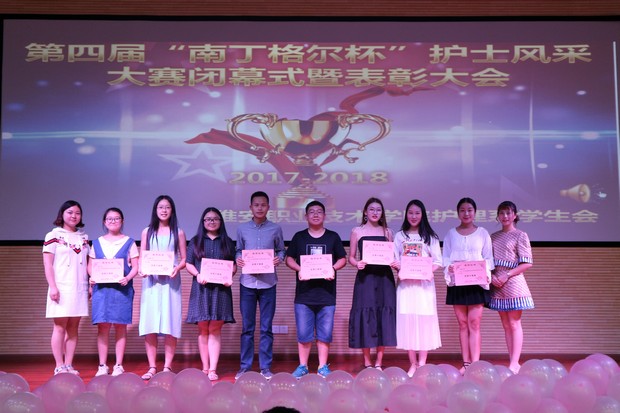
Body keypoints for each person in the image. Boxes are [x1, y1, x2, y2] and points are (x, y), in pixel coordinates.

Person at [285, 201, 347, 378]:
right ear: (306, 216)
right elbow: (289, 259)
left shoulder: (333, 237)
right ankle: (303, 366)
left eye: (319, 211)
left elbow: (342, 258)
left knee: (324, 334)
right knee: (304, 334)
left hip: (327, 294)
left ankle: (322, 367)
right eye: (311, 212)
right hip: (304, 295)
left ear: (325, 215)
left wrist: (333, 268)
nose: (315, 214)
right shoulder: (299, 237)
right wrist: (300, 269)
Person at [235, 191, 285, 380]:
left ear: (268, 207)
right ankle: (245, 367)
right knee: (247, 328)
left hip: (268, 283)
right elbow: (238, 250)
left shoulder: (275, 228)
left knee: (266, 328)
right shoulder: (242, 229)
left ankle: (265, 368)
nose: (260, 208)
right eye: (256, 205)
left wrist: (278, 259)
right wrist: (238, 258)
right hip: (247, 283)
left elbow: (281, 250)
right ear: (250, 207)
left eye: (263, 205)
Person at [443, 197, 494, 374]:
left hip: (476, 283)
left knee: (474, 323)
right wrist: (449, 267)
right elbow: (446, 257)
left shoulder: (483, 233)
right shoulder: (451, 234)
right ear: (458, 213)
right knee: (463, 324)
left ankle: (476, 364)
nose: (466, 213)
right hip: (457, 282)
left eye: (470, 210)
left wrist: (485, 273)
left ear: (475, 212)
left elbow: (488, 258)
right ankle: (466, 364)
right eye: (463, 210)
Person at [185, 207, 237, 381]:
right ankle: (205, 368)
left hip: (221, 290)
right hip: (201, 288)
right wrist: (197, 274)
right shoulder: (195, 241)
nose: (211, 222)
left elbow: (233, 265)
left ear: (220, 221)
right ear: (203, 222)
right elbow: (189, 263)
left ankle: (213, 369)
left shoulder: (228, 242)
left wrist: (230, 276)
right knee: (202, 328)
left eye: (215, 219)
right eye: (208, 219)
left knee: (215, 328)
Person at [139, 195, 187, 380]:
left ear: (172, 210)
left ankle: (167, 367)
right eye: (161, 207)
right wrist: (142, 269)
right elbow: (143, 257)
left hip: (170, 282)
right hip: (151, 283)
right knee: (150, 323)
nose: (164, 210)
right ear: (155, 210)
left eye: (167, 207)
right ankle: (152, 367)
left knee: (170, 323)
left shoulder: (178, 232)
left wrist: (177, 268)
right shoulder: (147, 231)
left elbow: (184, 258)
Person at [393, 200, 442, 377]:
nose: (413, 216)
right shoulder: (400, 236)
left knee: (424, 322)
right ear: (406, 214)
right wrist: (398, 266)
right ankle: (412, 363)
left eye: (417, 213)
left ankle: (422, 363)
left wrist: (428, 271)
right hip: (406, 286)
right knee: (408, 322)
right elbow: (395, 259)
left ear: (423, 215)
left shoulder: (430, 237)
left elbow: (438, 261)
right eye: (411, 213)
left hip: (424, 287)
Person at [88, 207, 139, 377]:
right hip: (101, 290)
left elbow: (136, 266)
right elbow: (90, 265)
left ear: (122, 221)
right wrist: (92, 276)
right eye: (109, 219)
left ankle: (118, 365)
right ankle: (102, 365)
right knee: (102, 327)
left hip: (121, 290)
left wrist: (128, 277)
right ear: (104, 222)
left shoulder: (129, 242)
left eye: (116, 218)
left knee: (120, 326)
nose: (113, 221)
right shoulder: (96, 243)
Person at [348, 197, 397, 370]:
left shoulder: (388, 232)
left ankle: (379, 361)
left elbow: (392, 256)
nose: (375, 213)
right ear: (365, 212)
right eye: (372, 209)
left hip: (384, 278)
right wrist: (357, 263)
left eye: (378, 210)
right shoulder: (357, 231)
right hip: (366, 278)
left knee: (383, 316)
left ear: (382, 213)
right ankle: (367, 360)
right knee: (366, 316)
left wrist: (394, 262)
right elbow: (351, 257)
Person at [43, 200, 90, 376]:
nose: (74, 216)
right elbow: (48, 264)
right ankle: (59, 365)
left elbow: (88, 264)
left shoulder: (83, 238)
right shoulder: (53, 235)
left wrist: (90, 284)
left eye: (77, 213)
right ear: (62, 214)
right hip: (61, 286)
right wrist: (53, 287)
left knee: (73, 328)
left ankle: (69, 365)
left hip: (80, 286)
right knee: (59, 327)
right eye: (70, 212)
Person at [489, 201, 535, 374]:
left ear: (515, 215)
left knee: (514, 323)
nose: (505, 216)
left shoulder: (521, 235)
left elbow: (527, 263)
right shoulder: (493, 237)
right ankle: (512, 362)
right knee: (506, 325)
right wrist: (492, 276)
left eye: (508, 213)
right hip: (497, 283)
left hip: (514, 282)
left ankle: (515, 363)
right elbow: (488, 260)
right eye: (502, 213)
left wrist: (507, 275)